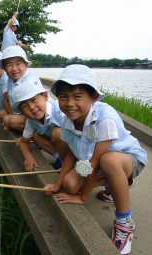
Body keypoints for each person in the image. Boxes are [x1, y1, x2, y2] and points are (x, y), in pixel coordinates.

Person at [43, 64, 148, 255]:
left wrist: (83, 198)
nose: (69, 103)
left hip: (128, 159)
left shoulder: (104, 118)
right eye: (63, 97)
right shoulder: (68, 120)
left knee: (109, 162)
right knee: (70, 184)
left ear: (92, 98)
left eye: (77, 97)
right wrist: (58, 183)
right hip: (95, 162)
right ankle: (116, 184)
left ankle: (125, 222)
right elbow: (72, 154)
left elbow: (93, 163)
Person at [11, 81, 67, 171]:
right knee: (34, 135)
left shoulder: (61, 111)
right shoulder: (31, 121)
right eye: (24, 106)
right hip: (55, 143)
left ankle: (70, 160)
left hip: (72, 144)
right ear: (21, 112)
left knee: (58, 133)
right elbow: (23, 142)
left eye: (33, 100)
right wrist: (28, 157)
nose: (32, 107)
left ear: (45, 96)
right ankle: (61, 158)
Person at [0, 45, 40, 132]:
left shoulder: (30, 81)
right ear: (4, 68)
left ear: (26, 65)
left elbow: (35, 108)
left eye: (18, 64)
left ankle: (34, 133)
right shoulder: (10, 80)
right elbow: (8, 99)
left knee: (12, 121)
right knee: (2, 114)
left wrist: (9, 122)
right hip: (22, 112)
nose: (14, 69)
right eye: (9, 65)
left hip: (36, 115)